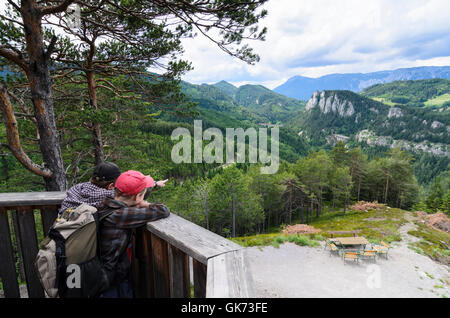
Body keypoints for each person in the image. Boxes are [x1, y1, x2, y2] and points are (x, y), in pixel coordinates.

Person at [97, 170, 171, 298]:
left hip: (101, 274)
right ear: (137, 197)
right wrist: (144, 204)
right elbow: (163, 210)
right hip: (110, 280)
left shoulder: (106, 203)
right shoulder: (120, 215)